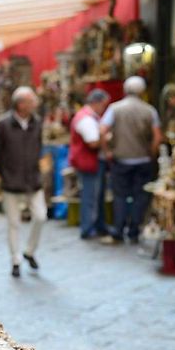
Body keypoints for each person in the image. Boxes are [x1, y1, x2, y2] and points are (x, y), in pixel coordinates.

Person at [0, 86, 47, 277]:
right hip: (11, 181)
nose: (35, 105)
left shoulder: (37, 123)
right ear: (21, 104)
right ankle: (15, 259)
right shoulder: (3, 124)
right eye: (32, 101)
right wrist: (5, 174)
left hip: (33, 180)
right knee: (13, 223)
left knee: (41, 216)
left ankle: (29, 251)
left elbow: (38, 146)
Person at [100, 76, 162, 244]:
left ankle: (118, 230)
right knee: (140, 196)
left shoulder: (115, 109)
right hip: (142, 160)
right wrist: (151, 153)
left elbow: (102, 130)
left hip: (121, 160)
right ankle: (134, 230)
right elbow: (157, 137)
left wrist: (108, 151)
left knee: (120, 196)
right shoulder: (150, 110)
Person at [69, 89, 110, 239]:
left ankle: (97, 225)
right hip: (89, 163)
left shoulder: (88, 117)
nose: (104, 109)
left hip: (90, 162)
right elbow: (92, 142)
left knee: (94, 195)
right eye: (103, 105)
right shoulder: (86, 119)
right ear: (96, 103)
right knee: (90, 196)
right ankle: (88, 228)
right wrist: (105, 137)